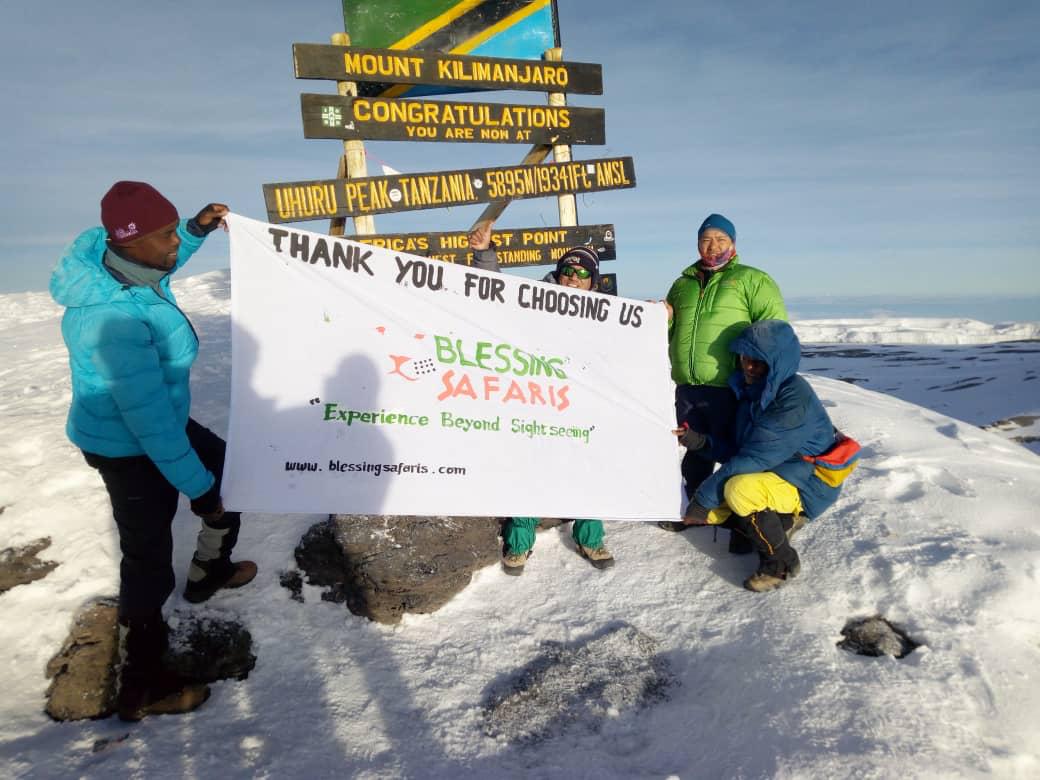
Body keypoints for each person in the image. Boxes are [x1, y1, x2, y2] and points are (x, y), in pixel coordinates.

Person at [50, 181, 257, 721]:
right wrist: (199, 492)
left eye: (172, 232)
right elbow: (149, 425)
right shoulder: (110, 319)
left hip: (156, 419)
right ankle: (142, 684)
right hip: (126, 445)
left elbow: (161, 257)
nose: (174, 245)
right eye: (166, 235)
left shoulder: (126, 265)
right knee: (147, 556)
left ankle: (208, 571)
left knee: (227, 471)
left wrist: (195, 229)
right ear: (129, 241)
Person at [467, 223, 615, 574]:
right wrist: (484, 254)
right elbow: (496, 298)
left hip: (581, 408)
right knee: (530, 467)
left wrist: (660, 321)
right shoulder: (535, 303)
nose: (574, 278)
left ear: (593, 281)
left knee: (587, 468)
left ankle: (590, 537)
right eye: (568, 271)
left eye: (583, 274)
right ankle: (519, 541)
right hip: (537, 403)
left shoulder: (606, 316)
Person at [680, 319, 849, 591]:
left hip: (807, 484)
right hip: (777, 472)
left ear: (777, 363)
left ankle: (781, 563)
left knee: (738, 490)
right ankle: (774, 524)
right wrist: (699, 441)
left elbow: (753, 459)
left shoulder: (792, 400)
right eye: (745, 359)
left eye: (758, 362)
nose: (749, 367)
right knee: (718, 508)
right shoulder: (752, 394)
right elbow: (739, 450)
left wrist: (702, 500)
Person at [660, 213, 787, 550]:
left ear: (733, 242)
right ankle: (695, 510)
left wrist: (761, 380)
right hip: (689, 387)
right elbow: (671, 332)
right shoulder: (682, 285)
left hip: (732, 387)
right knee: (695, 451)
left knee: (737, 455)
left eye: (720, 239)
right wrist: (664, 319)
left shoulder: (752, 280)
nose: (712, 246)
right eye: (706, 239)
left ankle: (743, 525)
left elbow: (774, 330)